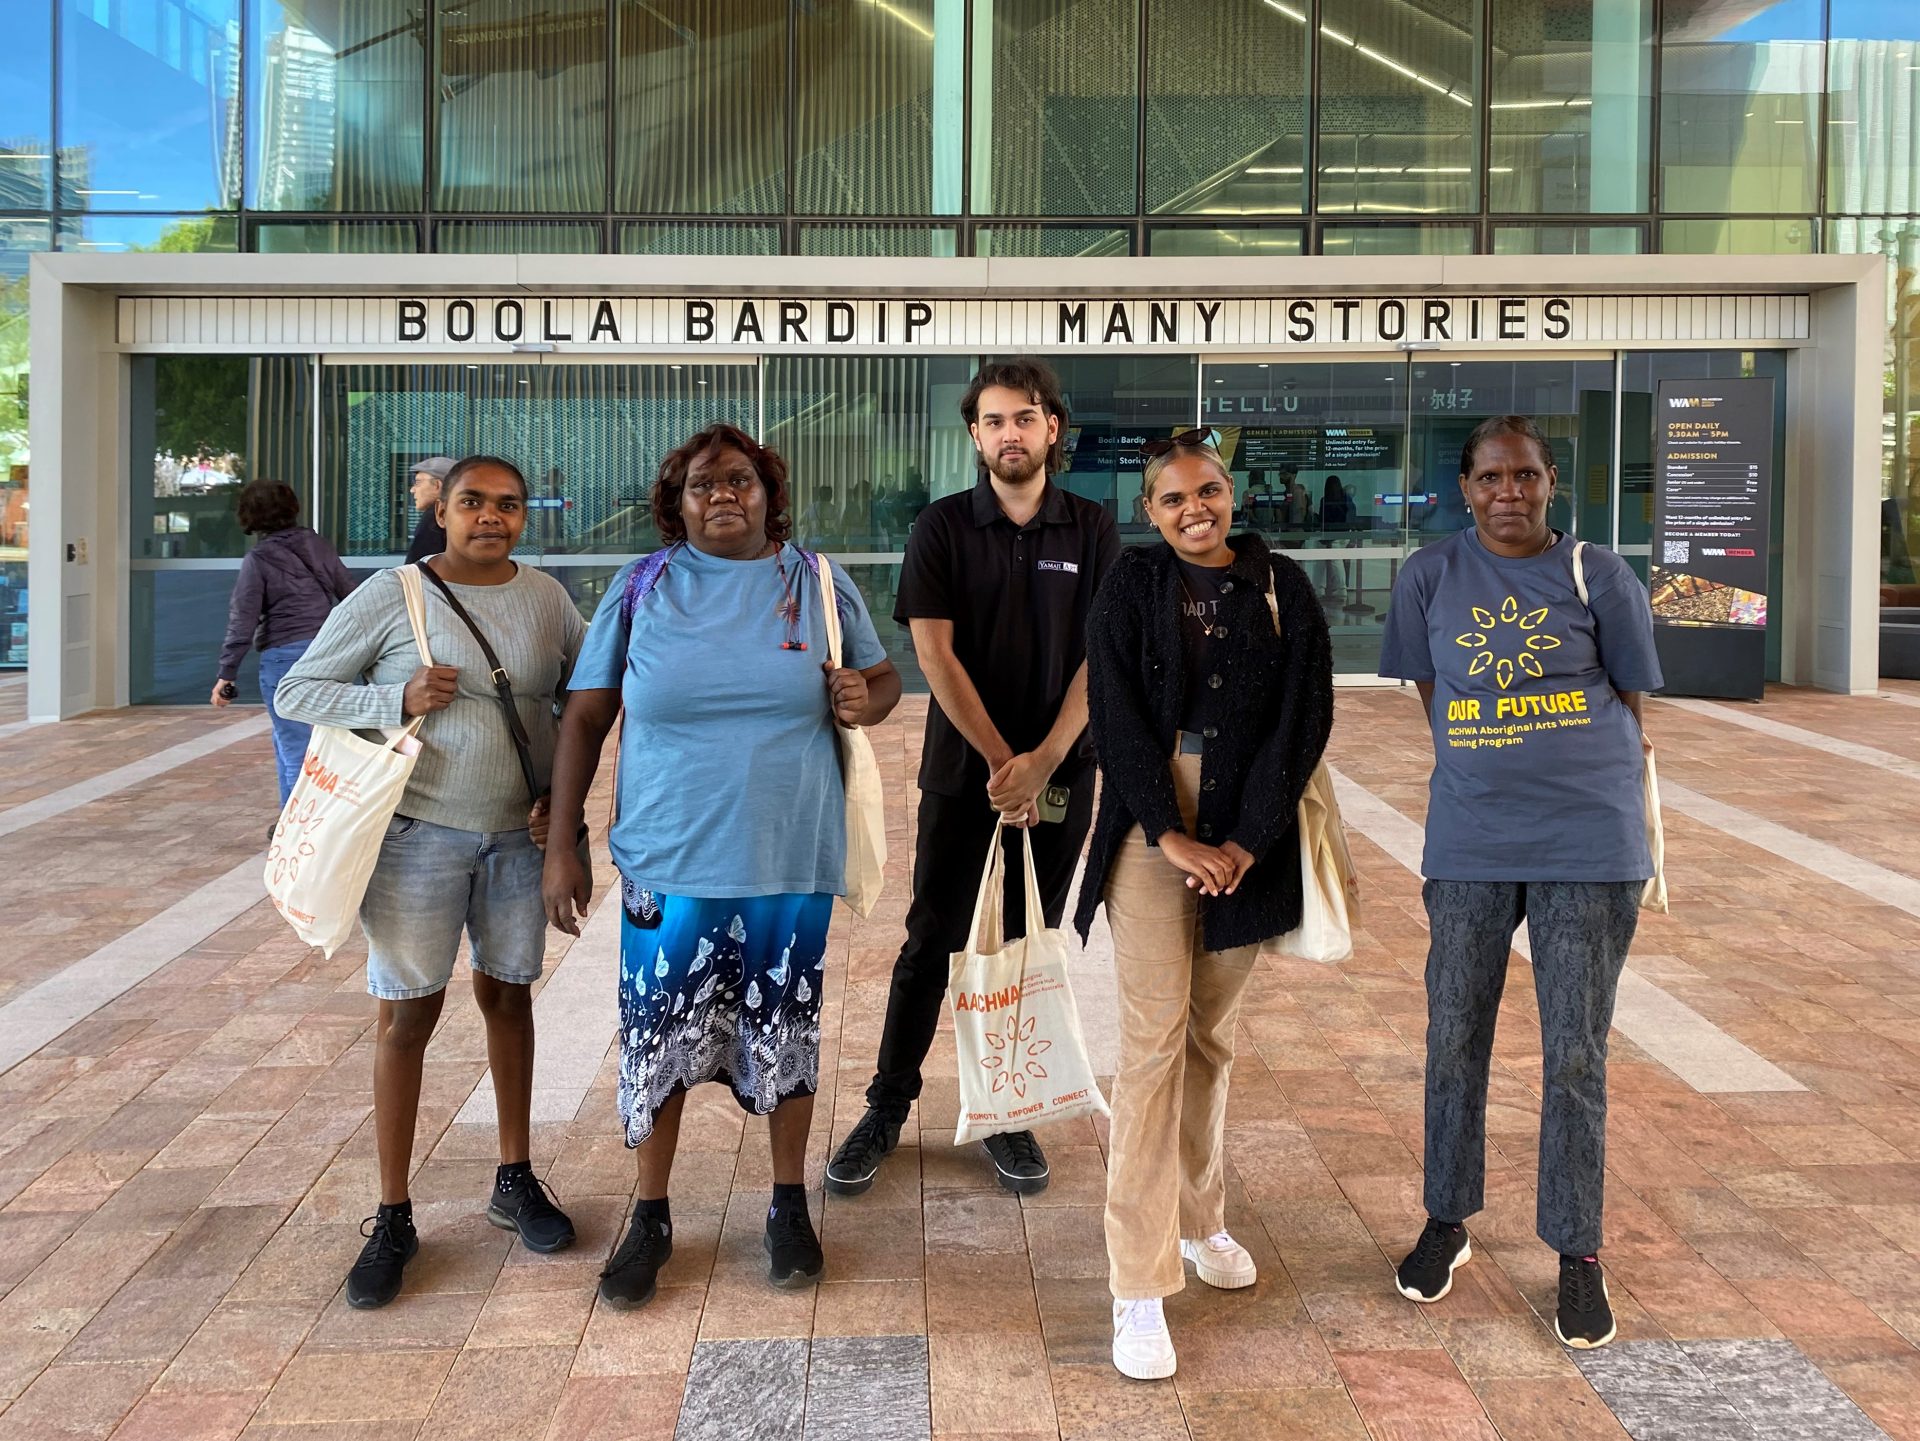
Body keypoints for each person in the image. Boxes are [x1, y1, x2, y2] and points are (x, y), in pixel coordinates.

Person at [541, 424, 899, 1310]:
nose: (724, 495)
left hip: (787, 862)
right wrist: (564, 843)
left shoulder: (815, 582)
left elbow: (883, 681)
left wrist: (866, 697)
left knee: (787, 1034)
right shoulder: (640, 588)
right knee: (657, 1041)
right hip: (669, 864)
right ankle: (651, 1214)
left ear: (769, 493)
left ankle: (786, 1207)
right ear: (678, 503)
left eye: (740, 480)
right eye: (703, 485)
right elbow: (584, 719)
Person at [274, 455, 585, 1310]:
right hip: (416, 838)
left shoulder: (548, 600)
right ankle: (393, 1213)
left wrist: (562, 806)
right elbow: (299, 689)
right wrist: (396, 697)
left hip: (514, 840)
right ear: (439, 512)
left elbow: (579, 704)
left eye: (508, 505)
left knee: (510, 998)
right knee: (407, 1014)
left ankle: (514, 1176)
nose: (492, 517)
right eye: (473, 503)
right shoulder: (392, 594)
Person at [1378, 414, 1661, 1351]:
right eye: (1492, 477)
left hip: (1589, 839)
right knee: (1454, 1032)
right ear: (1464, 487)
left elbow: (1629, 694)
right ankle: (1447, 1219)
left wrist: (1566, 768)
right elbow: (1434, 694)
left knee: (1574, 1054)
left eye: (1526, 476)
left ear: (1550, 483)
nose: (1509, 491)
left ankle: (1576, 1253)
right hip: (1471, 837)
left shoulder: (1599, 571)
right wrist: (1488, 762)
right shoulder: (1428, 574)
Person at [826, 357, 1120, 1201]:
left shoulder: (1092, 529)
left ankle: (1007, 1109)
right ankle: (888, 1103)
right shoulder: (943, 527)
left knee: (1025, 946)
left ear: (1052, 428)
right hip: (967, 776)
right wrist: (1003, 763)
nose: (1010, 434)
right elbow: (933, 653)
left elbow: (1101, 654)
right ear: (975, 436)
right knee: (934, 939)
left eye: (1024, 418)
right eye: (993, 422)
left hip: (1063, 772)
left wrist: (1046, 760)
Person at [1076, 434, 1332, 1380]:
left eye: (1211, 491)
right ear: (1151, 509)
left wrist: (1247, 841)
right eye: (1176, 497)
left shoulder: (1281, 586)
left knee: (1209, 1041)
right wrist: (1167, 831)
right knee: (1152, 1045)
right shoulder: (1131, 587)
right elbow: (1114, 714)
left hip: (1247, 826)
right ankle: (1137, 1284)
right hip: (1154, 823)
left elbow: (1304, 719)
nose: (1197, 509)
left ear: (1232, 494)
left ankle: (1200, 1220)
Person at [209, 480, 355, 807]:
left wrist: (226, 673)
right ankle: (290, 821)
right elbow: (350, 594)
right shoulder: (317, 544)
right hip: (327, 652)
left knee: (295, 747)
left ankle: (304, 832)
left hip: (285, 658)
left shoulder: (258, 559)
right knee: (296, 742)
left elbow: (242, 619)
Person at [404, 455, 458, 563]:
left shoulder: (434, 517)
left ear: (437, 485)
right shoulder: (460, 515)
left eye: (418, 483)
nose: (412, 490)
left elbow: (418, 570)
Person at [1315, 476, 1355, 600]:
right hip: (1345, 534)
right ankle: (1338, 589)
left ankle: (1326, 588)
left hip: (1331, 535)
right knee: (1336, 561)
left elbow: (1323, 519)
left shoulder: (1325, 500)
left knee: (1328, 561)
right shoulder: (1346, 499)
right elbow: (1352, 515)